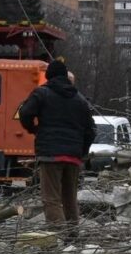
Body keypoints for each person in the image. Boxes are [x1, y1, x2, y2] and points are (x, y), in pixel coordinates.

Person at [19, 59, 96, 230]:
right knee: (70, 198)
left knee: (51, 198)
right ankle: (72, 237)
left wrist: (34, 129)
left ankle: (58, 237)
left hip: (50, 154)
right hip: (73, 157)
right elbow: (91, 130)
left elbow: (24, 113)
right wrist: (81, 151)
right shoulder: (80, 99)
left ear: (48, 76)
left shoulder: (41, 93)